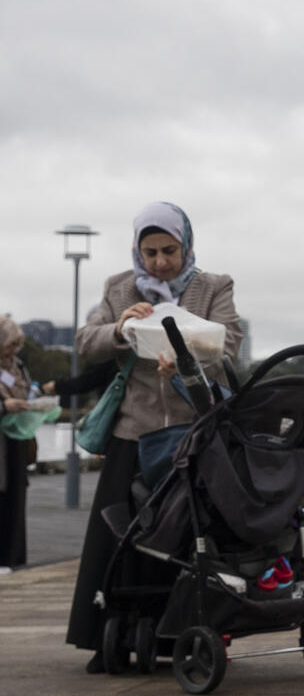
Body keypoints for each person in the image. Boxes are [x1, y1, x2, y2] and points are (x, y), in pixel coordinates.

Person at [65, 203, 242, 670]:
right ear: (137, 250)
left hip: (193, 427)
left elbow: (228, 345)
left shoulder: (213, 286)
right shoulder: (117, 286)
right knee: (118, 534)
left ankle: (183, 634)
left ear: (186, 245)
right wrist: (121, 326)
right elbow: (85, 342)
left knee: (188, 535)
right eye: (150, 252)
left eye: (169, 250)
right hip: (133, 429)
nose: (160, 262)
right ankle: (110, 634)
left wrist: (183, 354)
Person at [1, 316, 41, 571]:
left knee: (16, 499)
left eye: (16, 345)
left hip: (17, 442)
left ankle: (13, 558)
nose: (12, 351)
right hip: (1, 446)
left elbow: (28, 391)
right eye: (9, 345)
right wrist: (4, 406)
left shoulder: (17, 366)